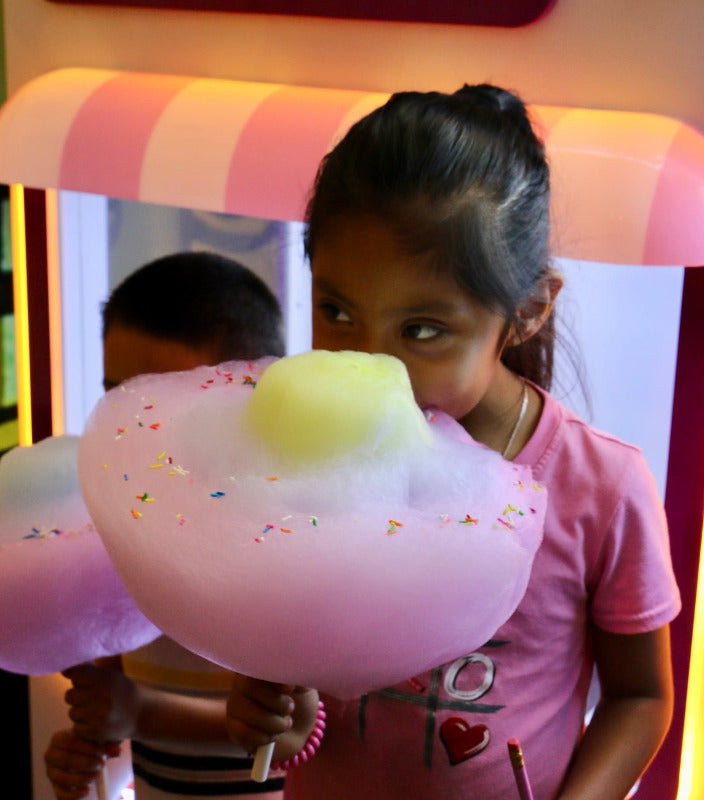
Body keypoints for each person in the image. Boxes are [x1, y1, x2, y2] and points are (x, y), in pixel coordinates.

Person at [224, 86, 681, 799]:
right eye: (336, 310)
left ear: (527, 312)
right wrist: (273, 710)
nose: (367, 365)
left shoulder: (602, 487)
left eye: (423, 330)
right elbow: (289, 665)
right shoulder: (298, 458)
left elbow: (642, 699)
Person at [44, 250, 286, 800]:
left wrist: (140, 713)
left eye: (159, 404)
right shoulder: (119, 527)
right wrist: (87, 748)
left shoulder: (285, 536)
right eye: (115, 395)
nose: (129, 429)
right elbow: (114, 697)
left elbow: (298, 729)